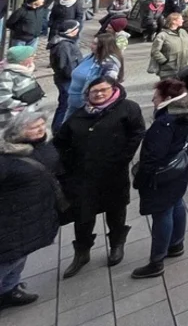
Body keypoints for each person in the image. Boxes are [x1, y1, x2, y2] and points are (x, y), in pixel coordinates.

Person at [53, 75, 146, 277]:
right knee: (83, 216)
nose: (99, 94)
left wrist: (123, 158)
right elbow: (60, 144)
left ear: (113, 89)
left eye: (104, 90)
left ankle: (116, 245)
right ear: (88, 94)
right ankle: (82, 252)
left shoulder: (127, 108)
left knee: (116, 211)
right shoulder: (78, 116)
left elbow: (137, 132)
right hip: (83, 177)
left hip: (114, 173)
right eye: (95, 91)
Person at [130, 78, 188, 279]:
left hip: (163, 174)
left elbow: (153, 155)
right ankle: (176, 243)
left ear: (168, 98)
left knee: (162, 213)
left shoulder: (165, 122)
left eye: (156, 96)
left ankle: (156, 261)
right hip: (179, 169)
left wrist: (142, 177)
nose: (153, 99)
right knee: (177, 203)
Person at [0, 107, 60, 309]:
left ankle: (9, 291)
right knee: (7, 259)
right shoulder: (5, 158)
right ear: (18, 131)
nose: (40, 130)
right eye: (33, 127)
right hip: (11, 218)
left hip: (35, 213)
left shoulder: (44, 144)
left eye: (42, 125)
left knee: (20, 256)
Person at [66, 33, 125, 117]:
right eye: (92, 42)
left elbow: (108, 84)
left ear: (104, 46)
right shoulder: (91, 56)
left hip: (88, 105)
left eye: (95, 44)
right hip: (74, 102)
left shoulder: (110, 63)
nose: (91, 45)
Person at [48, 18, 83, 129]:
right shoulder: (64, 46)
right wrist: (75, 77)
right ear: (72, 31)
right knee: (65, 105)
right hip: (66, 81)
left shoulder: (64, 43)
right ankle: (57, 129)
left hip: (64, 79)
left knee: (64, 104)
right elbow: (66, 66)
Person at [0, 44, 42, 119]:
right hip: (15, 117)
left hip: (29, 111)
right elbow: (3, 98)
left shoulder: (26, 69)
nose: (35, 56)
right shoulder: (7, 75)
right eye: (31, 56)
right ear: (21, 60)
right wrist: (21, 105)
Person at [149, 12, 188, 79]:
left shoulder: (183, 32)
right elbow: (155, 51)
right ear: (174, 21)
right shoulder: (162, 35)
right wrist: (164, 61)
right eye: (181, 19)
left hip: (184, 68)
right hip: (168, 70)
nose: (183, 20)